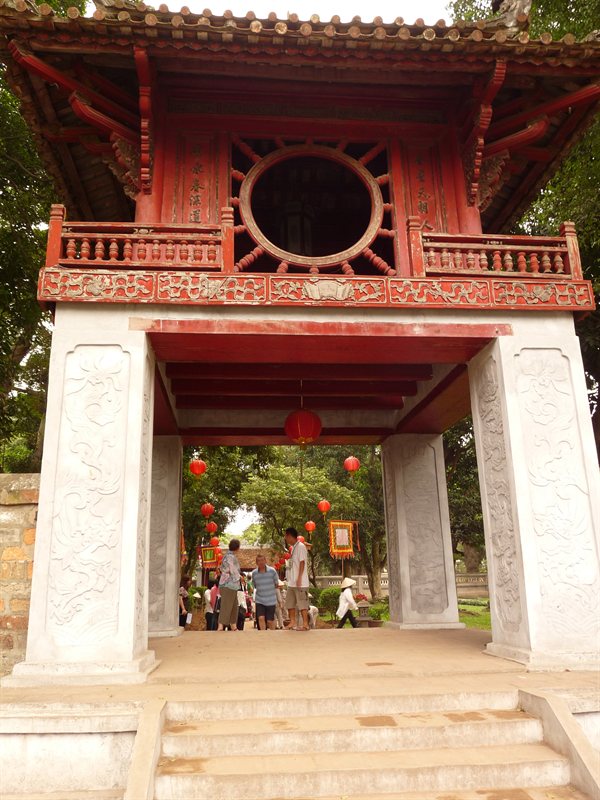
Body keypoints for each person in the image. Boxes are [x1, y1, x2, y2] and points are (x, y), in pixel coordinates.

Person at [284, 527, 310, 631]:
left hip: (301, 582)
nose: (285, 538)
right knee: (290, 603)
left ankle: (305, 624)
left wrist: (299, 578)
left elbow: (302, 562)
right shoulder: (293, 547)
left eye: (286, 536)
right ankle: (292, 621)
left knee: (302, 604)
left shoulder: (301, 546)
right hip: (292, 582)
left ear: (290, 536)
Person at [217, 539, 242, 631]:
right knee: (226, 605)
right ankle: (220, 625)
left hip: (229, 584)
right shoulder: (230, 556)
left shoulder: (226, 556)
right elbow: (232, 569)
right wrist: (239, 577)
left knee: (234, 605)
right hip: (229, 584)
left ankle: (233, 625)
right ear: (238, 547)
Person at [251, 554, 279, 630]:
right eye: (259, 561)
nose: (261, 562)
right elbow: (255, 585)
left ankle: (272, 635)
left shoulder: (272, 571)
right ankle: (263, 636)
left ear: (265, 561)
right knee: (260, 618)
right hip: (260, 599)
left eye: (262, 560)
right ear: (256, 563)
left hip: (271, 600)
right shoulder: (254, 573)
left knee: (270, 621)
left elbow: (276, 584)